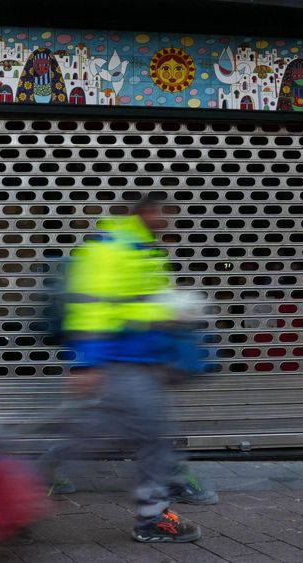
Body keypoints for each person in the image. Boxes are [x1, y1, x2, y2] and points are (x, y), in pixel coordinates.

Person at [40, 197, 217, 544]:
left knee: (115, 433)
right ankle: (152, 517)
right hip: (119, 363)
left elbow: (146, 306)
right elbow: (89, 308)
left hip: (140, 363)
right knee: (140, 436)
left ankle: (34, 477)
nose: (169, 220)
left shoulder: (146, 251)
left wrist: (169, 348)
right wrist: (87, 363)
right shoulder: (113, 249)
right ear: (145, 212)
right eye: (164, 212)